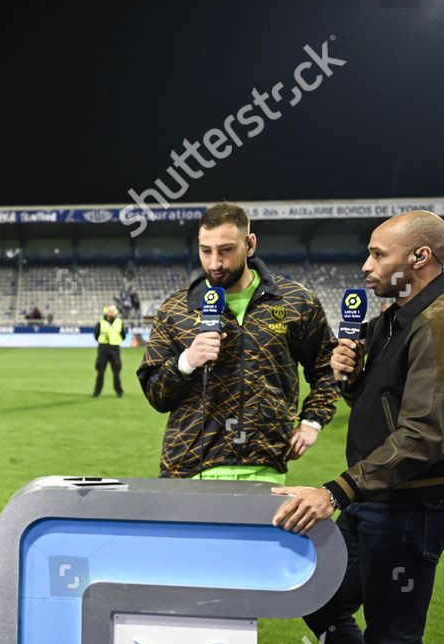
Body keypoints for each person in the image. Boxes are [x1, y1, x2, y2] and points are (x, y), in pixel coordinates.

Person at [270, 210, 444, 644]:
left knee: (393, 636)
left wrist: (337, 491)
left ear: (420, 257)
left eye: (378, 255)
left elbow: (422, 435)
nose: (366, 267)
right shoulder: (394, 317)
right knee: (317, 597)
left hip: (415, 503)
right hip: (376, 499)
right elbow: (384, 409)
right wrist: (352, 380)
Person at [139, 201, 339, 483]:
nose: (215, 263)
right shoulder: (175, 310)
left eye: (226, 250)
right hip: (187, 469)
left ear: (250, 244)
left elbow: (327, 367)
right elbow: (156, 395)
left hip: (264, 468)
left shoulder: (296, 301)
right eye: (205, 251)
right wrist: (187, 362)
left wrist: (312, 422)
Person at [92, 304, 126, 398]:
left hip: (115, 349)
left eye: (113, 311)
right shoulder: (100, 322)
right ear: (106, 312)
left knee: (116, 372)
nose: (111, 313)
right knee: (100, 371)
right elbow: (96, 334)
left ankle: (119, 392)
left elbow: (123, 335)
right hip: (103, 348)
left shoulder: (119, 322)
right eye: (110, 311)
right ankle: (97, 392)